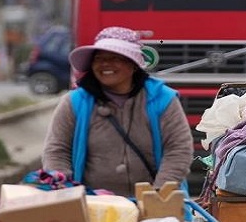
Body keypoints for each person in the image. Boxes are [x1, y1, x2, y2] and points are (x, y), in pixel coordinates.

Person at [41, 26, 193, 197]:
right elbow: (57, 151)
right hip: (92, 205)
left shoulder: (162, 98)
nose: (106, 64)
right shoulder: (75, 102)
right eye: (99, 58)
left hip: (154, 204)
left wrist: (158, 195)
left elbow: (178, 150)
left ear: (134, 64)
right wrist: (66, 191)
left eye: (115, 58)